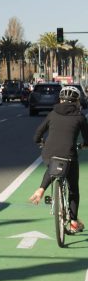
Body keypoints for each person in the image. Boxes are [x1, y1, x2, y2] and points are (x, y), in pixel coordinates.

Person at [29, 85, 88, 232]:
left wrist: (40, 143)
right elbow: (87, 138)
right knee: (73, 190)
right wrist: (84, 145)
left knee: (53, 165)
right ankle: (74, 223)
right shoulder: (80, 117)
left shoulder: (52, 114)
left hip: (50, 152)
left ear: (61, 100)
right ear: (76, 102)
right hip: (69, 155)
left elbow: (38, 134)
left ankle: (41, 188)